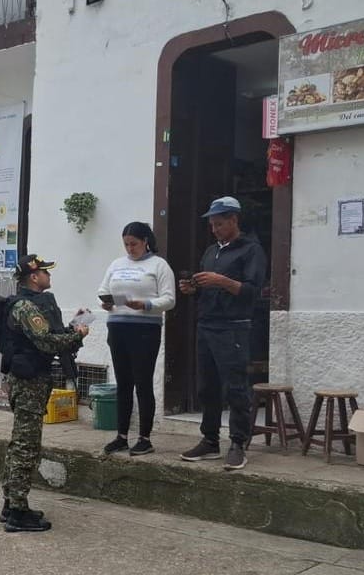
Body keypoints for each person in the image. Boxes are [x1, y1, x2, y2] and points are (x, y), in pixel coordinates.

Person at [0, 254, 88, 533]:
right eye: (46, 273)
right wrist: (78, 335)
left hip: (29, 380)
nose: (49, 276)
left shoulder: (30, 304)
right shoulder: (26, 307)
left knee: (19, 443)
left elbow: (48, 333)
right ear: (34, 277)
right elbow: (47, 341)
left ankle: (10, 502)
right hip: (28, 384)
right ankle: (17, 512)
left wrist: (71, 327)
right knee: (26, 446)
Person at [178, 197, 267, 470]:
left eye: (219, 224)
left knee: (236, 387)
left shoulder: (251, 250)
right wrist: (194, 289)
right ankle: (210, 440)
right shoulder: (210, 252)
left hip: (234, 326)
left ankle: (239, 443)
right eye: (212, 225)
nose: (214, 229)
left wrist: (222, 281)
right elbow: (209, 290)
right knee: (207, 387)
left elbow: (252, 292)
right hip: (207, 324)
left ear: (234, 221)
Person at [97, 222, 176, 457]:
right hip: (118, 326)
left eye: (134, 244)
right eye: (126, 245)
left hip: (145, 329)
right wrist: (106, 302)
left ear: (145, 241)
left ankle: (144, 437)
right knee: (123, 383)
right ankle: (122, 436)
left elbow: (169, 299)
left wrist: (147, 305)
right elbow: (102, 289)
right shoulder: (116, 264)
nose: (130, 249)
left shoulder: (159, 265)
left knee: (142, 382)